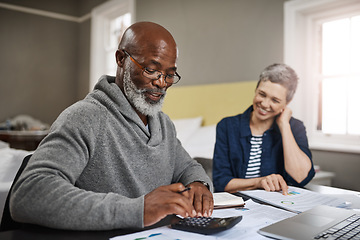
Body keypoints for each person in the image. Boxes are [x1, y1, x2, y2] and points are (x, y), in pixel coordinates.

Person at [10, 22, 213, 231]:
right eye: (151, 70)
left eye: (170, 75)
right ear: (121, 59)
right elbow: (29, 193)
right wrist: (139, 210)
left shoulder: (164, 124)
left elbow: (188, 167)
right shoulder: (85, 117)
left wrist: (199, 184)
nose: (161, 83)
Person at [212, 63, 315, 194]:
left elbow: (300, 177)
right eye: (262, 94)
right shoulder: (227, 126)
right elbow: (221, 183)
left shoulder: (295, 127)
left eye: (275, 100)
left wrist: (284, 125)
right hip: (240, 206)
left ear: (287, 103)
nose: (265, 104)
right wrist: (259, 182)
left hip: (278, 208)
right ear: (256, 90)